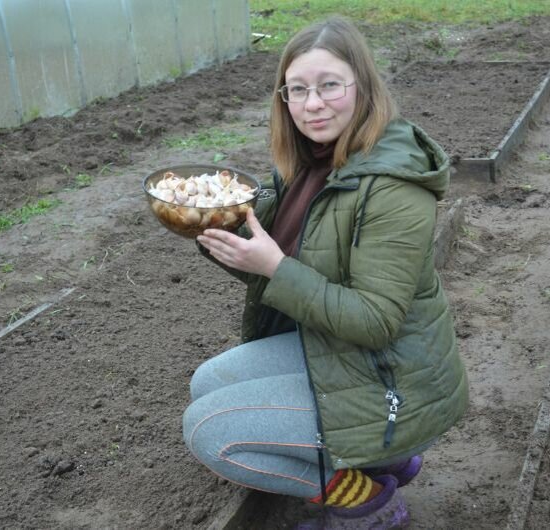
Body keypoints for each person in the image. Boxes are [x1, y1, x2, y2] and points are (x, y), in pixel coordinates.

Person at [183, 16, 468, 529]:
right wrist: (213, 233)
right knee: (209, 381)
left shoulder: (393, 185)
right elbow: (280, 267)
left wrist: (274, 265)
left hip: (394, 382)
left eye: (329, 85)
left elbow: (376, 321)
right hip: (348, 357)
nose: (312, 104)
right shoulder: (309, 163)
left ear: (363, 86)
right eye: (297, 90)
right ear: (283, 98)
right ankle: (383, 462)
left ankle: (366, 504)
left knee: (209, 430)